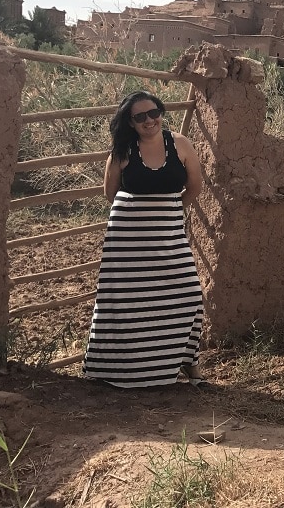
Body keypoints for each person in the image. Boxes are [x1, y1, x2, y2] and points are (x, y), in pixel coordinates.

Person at [82, 90, 206, 388]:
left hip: (169, 235)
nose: (149, 120)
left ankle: (185, 360)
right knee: (126, 302)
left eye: (153, 113)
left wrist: (167, 210)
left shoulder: (180, 144)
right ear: (131, 123)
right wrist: (138, 215)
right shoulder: (122, 151)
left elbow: (194, 187)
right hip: (128, 241)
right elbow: (110, 193)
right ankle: (119, 369)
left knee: (188, 292)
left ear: (161, 112)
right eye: (140, 117)